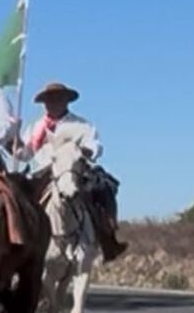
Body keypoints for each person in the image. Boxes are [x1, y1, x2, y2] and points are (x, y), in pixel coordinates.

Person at [27, 80, 126, 260]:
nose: (53, 102)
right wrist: (14, 146)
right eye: (49, 99)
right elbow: (25, 153)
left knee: (102, 189)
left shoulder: (81, 125)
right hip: (43, 173)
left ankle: (107, 238)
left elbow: (95, 144)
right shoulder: (36, 127)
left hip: (73, 171)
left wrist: (88, 150)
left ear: (66, 101)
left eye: (58, 98)